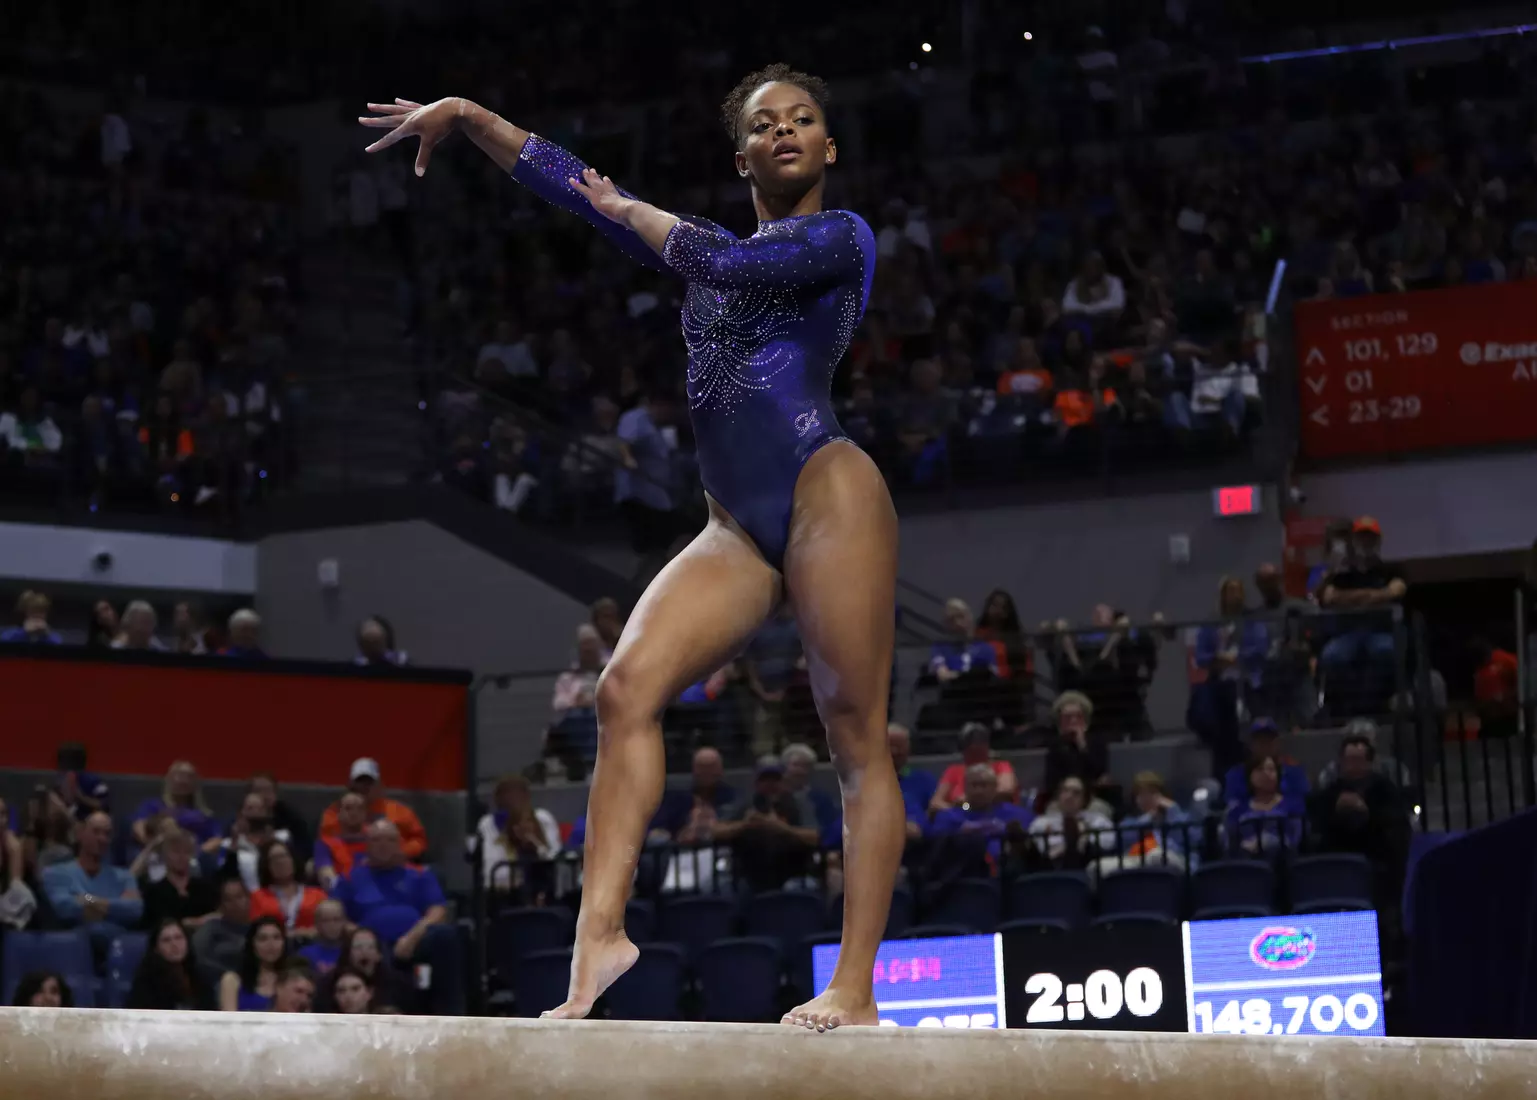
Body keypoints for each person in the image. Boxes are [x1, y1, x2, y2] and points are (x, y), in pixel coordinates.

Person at [363, 62, 903, 1031]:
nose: (783, 131)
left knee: (854, 737)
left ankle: (854, 988)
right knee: (623, 690)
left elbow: (727, 266)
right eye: (762, 124)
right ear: (739, 156)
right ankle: (597, 943)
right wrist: (476, 116)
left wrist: (637, 214)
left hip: (826, 489)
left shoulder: (842, 237)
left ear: (828, 145)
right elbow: (577, 190)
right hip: (732, 523)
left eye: (801, 119)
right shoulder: (701, 243)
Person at [333, 820, 461, 1015]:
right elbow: (334, 913)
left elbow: (438, 911)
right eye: (376, 840)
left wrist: (411, 937)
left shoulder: (419, 874)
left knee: (445, 936)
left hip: (414, 943)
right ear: (367, 844)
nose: (383, 845)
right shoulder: (350, 878)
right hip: (370, 944)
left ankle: (451, 1016)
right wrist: (359, 935)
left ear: (399, 844)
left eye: (389, 840)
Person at [1318, 517, 1407, 716]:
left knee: (1384, 650)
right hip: (1348, 634)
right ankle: (1343, 710)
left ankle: (1379, 706)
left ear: (1378, 541)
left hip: (1380, 633)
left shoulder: (1390, 569)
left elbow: (1396, 591)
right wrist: (1377, 596)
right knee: (1331, 656)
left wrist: (1349, 598)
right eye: (1361, 537)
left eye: (1370, 537)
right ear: (1354, 541)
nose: (1366, 542)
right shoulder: (1342, 574)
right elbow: (1329, 597)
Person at [710, 757, 821, 893]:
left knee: (800, 887)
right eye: (765, 780)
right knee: (726, 887)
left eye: (775, 779)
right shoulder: (745, 804)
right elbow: (715, 831)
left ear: (784, 781)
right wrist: (744, 825)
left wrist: (782, 828)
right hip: (750, 875)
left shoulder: (798, 804)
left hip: (794, 874)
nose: (770, 784)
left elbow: (815, 837)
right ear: (756, 783)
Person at [41, 812, 142, 948]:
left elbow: (134, 908)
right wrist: (113, 907)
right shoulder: (56, 872)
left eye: (107, 834)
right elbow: (64, 906)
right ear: (80, 833)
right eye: (96, 832)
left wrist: (88, 899)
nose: (102, 838)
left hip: (117, 947)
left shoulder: (124, 876)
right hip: (73, 947)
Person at [928, 765, 1033, 877]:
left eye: (984, 785)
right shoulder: (947, 817)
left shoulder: (1017, 814)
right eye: (974, 785)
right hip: (962, 877)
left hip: (1008, 875)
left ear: (995, 788)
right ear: (965, 788)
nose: (978, 791)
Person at [318, 759, 428, 862]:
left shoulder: (400, 811)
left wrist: (400, 853)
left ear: (379, 785)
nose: (364, 787)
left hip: (392, 864)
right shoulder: (335, 812)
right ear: (350, 785)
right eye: (360, 781)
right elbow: (325, 843)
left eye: (369, 782)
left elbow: (419, 840)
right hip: (347, 863)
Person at [476, 774, 562, 895]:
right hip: (505, 895)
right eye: (507, 795)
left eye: (518, 794)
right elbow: (494, 875)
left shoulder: (543, 818)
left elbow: (556, 859)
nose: (513, 799)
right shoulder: (488, 824)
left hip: (544, 891)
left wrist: (535, 845)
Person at [1041, 691, 1117, 815]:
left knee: (1099, 811)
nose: (1073, 720)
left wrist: (1082, 745)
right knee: (1052, 812)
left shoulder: (1097, 742)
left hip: (1092, 799)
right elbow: (1051, 782)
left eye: (1078, 716)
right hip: (1064, 799)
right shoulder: (1055, 746)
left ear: (1086, 720)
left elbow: (1100, 774)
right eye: (1068, 717)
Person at [138, 828, 219, 932]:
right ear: (165, 855)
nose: (181, 856)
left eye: (186, 852)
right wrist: (187, 923)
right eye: (176, 852)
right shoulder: (154, 892)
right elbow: (155, 925)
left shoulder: (205, 887)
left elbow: (216, 915)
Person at [126, 919, 216, 1011]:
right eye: (166, 940)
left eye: (178, 937)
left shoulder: (199, 974)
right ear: (156, 948)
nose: (174, 944)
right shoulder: (146, 981)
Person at [1027, 777, 1115, 869]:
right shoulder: (1042, 822)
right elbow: (1040, 853)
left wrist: (1084, 839)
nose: (1069, 796)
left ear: (1085, 799)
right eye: (1065, 790)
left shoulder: (1099, 821)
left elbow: (1107, 846)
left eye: (1076, 793)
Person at [930, 723, 1018, 813]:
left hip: (997, 815)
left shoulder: (1001, 766)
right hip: (963, 817)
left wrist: (971, 799)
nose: (976, 746)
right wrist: (958, 809)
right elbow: (935, 803)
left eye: (981, 742)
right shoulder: (954, 771)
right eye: (971, 743)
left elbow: (1007, 789)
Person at [132, 761, 221, 849]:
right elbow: (139, 827)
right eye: (179, 775)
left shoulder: (203, 816)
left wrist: (196, 852)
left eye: (189, 777)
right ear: (169, 779)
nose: (184, 781)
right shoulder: (153, 806)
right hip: (156, 852)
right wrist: (152, 845)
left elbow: (217, 840)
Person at [1227, 754, 1302, 857]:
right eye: (1260, 769)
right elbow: (1229, 844)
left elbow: (1296, 839)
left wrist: (1269, 842)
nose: (1266, 773)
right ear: (1250, 776)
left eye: (1271, 769)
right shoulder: (1237, 810)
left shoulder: (1293, 806)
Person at [249, 840, 327, 937]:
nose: (280, 862)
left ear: (293, 860)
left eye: (284, 856)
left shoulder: (317, 895)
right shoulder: (258, 897)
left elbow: (328, 926)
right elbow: (256, 931)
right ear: (266, 866)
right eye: (274, 859)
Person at [219, 916, 289, 1011]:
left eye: (276, 938)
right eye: (263, 939)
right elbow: (229, 1018)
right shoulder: (232, 980)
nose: (271, 944)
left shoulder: (291, 980)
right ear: (252, 944)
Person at [248, 773, 314, 868]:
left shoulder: (291, 818)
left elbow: (305, 850)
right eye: (257, 791)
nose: (263, 795)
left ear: (275, 793)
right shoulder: (241, 819)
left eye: (267, 790)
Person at [194, 877, 251, 986]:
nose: (235, 903)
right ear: (221, 905)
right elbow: (200, 960)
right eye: (228, 899)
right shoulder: (210, 929)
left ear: (249, 899)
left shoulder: (259, 929)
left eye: (239, 897)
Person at [887, 724, 935, 839]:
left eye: (899, 746)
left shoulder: (923, 779)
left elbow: (936, 813)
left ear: (908, 750)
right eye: (890, 746)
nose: (894, 751)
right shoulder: (865, 782)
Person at [315, 791, 370, 889]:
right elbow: (327, 880)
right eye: (348, 808)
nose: (354, 813)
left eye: (359, 808)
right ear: (339, 813)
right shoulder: (324, 844)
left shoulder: (377, 841)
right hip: (340, 894)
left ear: (366, 813)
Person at [298, 900, 349, 975]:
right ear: (317, 924)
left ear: (344, 921)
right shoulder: (305, 955)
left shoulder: (352, 952)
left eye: (336, 919)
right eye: (325, 921)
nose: (331, 925)